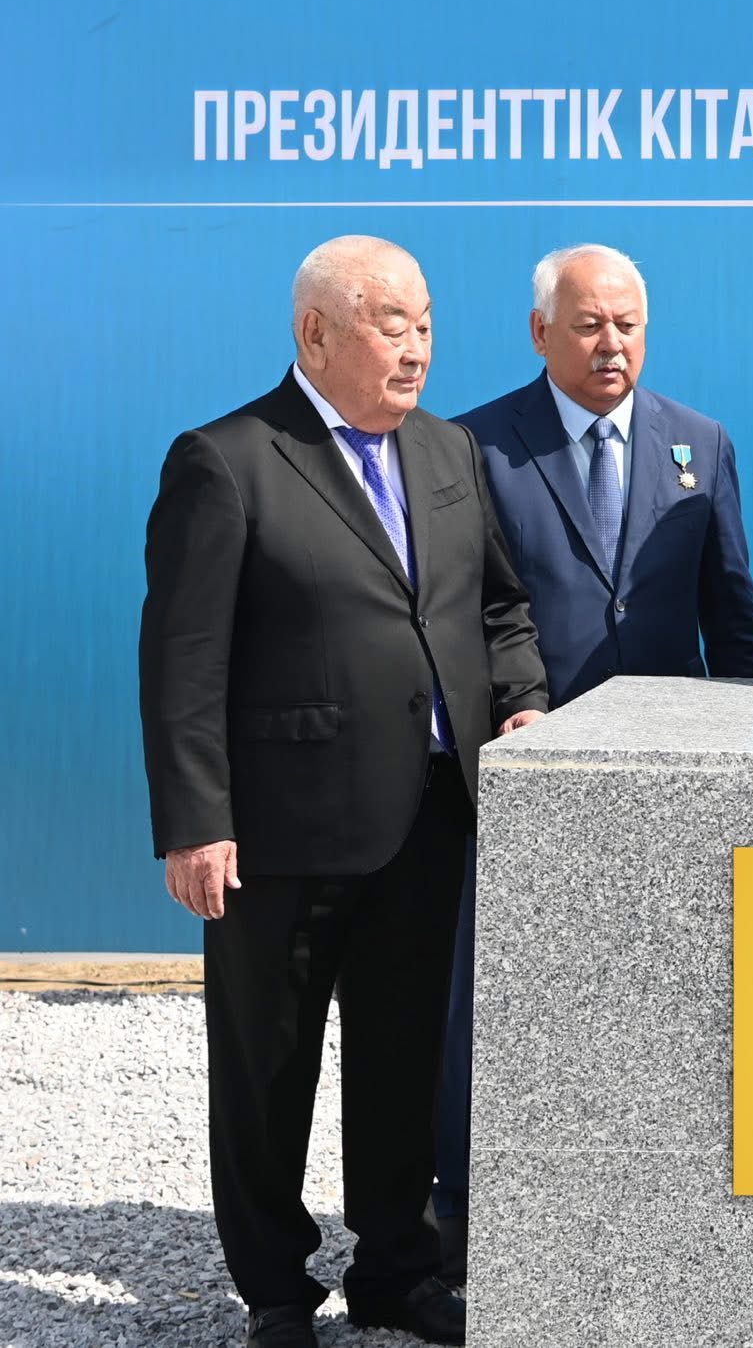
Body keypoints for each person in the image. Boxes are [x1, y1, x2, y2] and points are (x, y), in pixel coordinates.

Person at [139, 235, 548, 1348]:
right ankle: (276, 1286)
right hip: (282, 831)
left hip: (430, 811)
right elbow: (183, 659)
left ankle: (395, 1267)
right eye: (390, 323)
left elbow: (497, 607)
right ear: (315, 332)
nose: (416, 347)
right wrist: (196, 821)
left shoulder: (449, 449)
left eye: (426, 323)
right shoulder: (228, 459)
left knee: (402, 1058)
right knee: (267, 1066)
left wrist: (521, 700)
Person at [436, 243, 753, 1270]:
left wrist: (752, 740)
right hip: (530, 763)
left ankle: (652, 1193)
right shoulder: (474, 444)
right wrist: (515, 709)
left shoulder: (699, 440)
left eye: (627, 324)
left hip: (667, 771)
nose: (610, 343)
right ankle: (469, 1207)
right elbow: (463, 610)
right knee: (501, 997)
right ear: (541, 332)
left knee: (662, 996)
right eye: (587, 325)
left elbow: (732, 610)